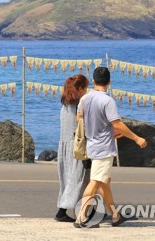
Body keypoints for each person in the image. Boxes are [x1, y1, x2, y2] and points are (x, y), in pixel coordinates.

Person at [75, 67, 147, 228]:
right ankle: (81, 217)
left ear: (93, 81)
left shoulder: (85, 99)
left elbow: (79, 118)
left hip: (91, 145)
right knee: (95, 182)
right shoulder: (108, 101)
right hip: (104, 148)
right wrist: (136, 138)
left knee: (104, 182)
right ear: (109, 82)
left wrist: (96, 129)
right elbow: (117, 124)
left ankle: (115, 216)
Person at [55, 74, 91, 222]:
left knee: (68, 179)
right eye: (86, 88)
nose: (87, 91)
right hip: (76, 145)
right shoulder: (79, 104)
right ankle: (62, 211)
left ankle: (85, 210)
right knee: (78, 179)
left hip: (64, 145)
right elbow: (81, 127)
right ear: (80, 88)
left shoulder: (65, 103)